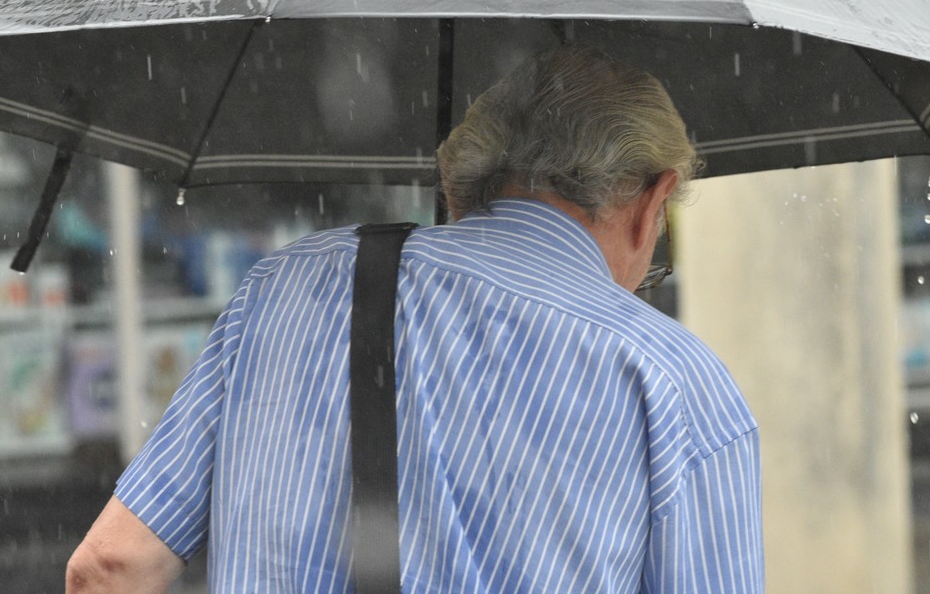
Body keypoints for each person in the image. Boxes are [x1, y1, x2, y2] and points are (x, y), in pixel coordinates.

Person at [66, 45, 763, 593]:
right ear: (652, 201)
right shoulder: (674, 379)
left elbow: (110, 567)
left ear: (460, 188)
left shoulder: (282, 289)